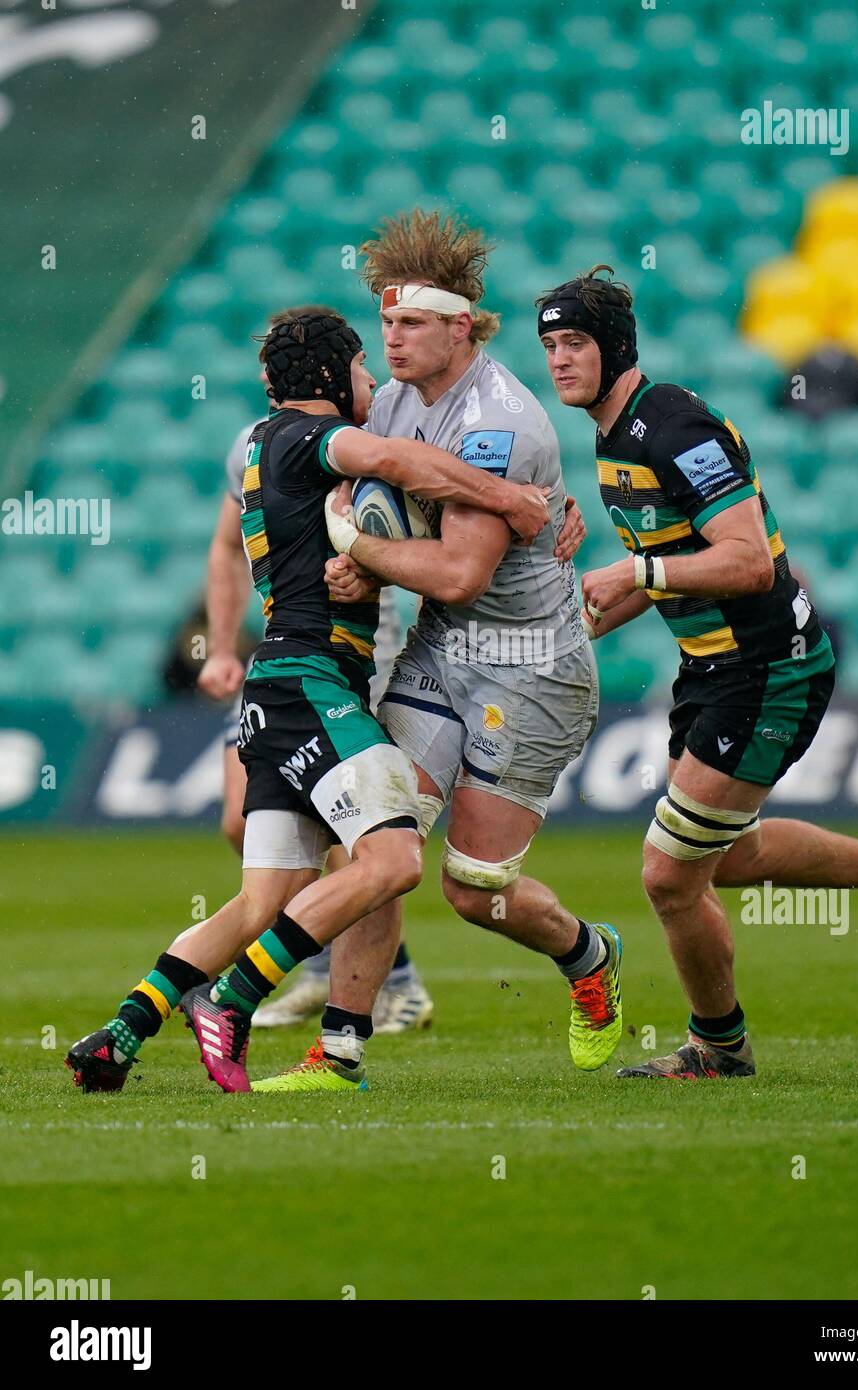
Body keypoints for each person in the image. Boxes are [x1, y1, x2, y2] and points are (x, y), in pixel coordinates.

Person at [66, 307, 550, 1095]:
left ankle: (121, 1032)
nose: (373, 381)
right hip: (312, 683)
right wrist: (514, 499)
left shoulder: (258, 444)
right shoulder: (310, 439)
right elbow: (398, 459)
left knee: (262, 898)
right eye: (362, 369)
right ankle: (235, 997)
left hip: (272, 689)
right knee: (391, 858)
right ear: (330, 377)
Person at [536, 265, 858, 1082]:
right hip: (710, 670)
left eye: (574, 343)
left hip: (769, 666)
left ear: (615, 346)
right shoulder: (613, 436)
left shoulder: (673, 426)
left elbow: (745, 563)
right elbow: (666, 558)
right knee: (723, 860)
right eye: (550, 345)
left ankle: (717, 1046)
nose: (558, 360)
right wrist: (573, 625)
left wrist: (635, 578)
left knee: (668, 876)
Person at [250, 211, 622, 1093]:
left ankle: (590, 955)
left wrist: (362, 551)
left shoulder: (499, 421)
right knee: (379, 844)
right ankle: (338, 1051)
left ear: (460, 325)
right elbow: (336, 473)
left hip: (528, 664)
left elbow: (456, 572)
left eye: (410, 324)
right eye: (384, 325)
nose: (391, 339)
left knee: (472, 887)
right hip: (441, 648)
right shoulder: (387, 400)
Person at [199, 316, 434, 1034]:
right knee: (248, 827)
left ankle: (380, 989)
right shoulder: (254, 444)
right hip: (284, 651)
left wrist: (366, 561)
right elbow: (226, 547)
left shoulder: (361, 432)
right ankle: (318, 967)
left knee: (368, 833)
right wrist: (219, 645)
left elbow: (421, 498)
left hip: (361, 653)